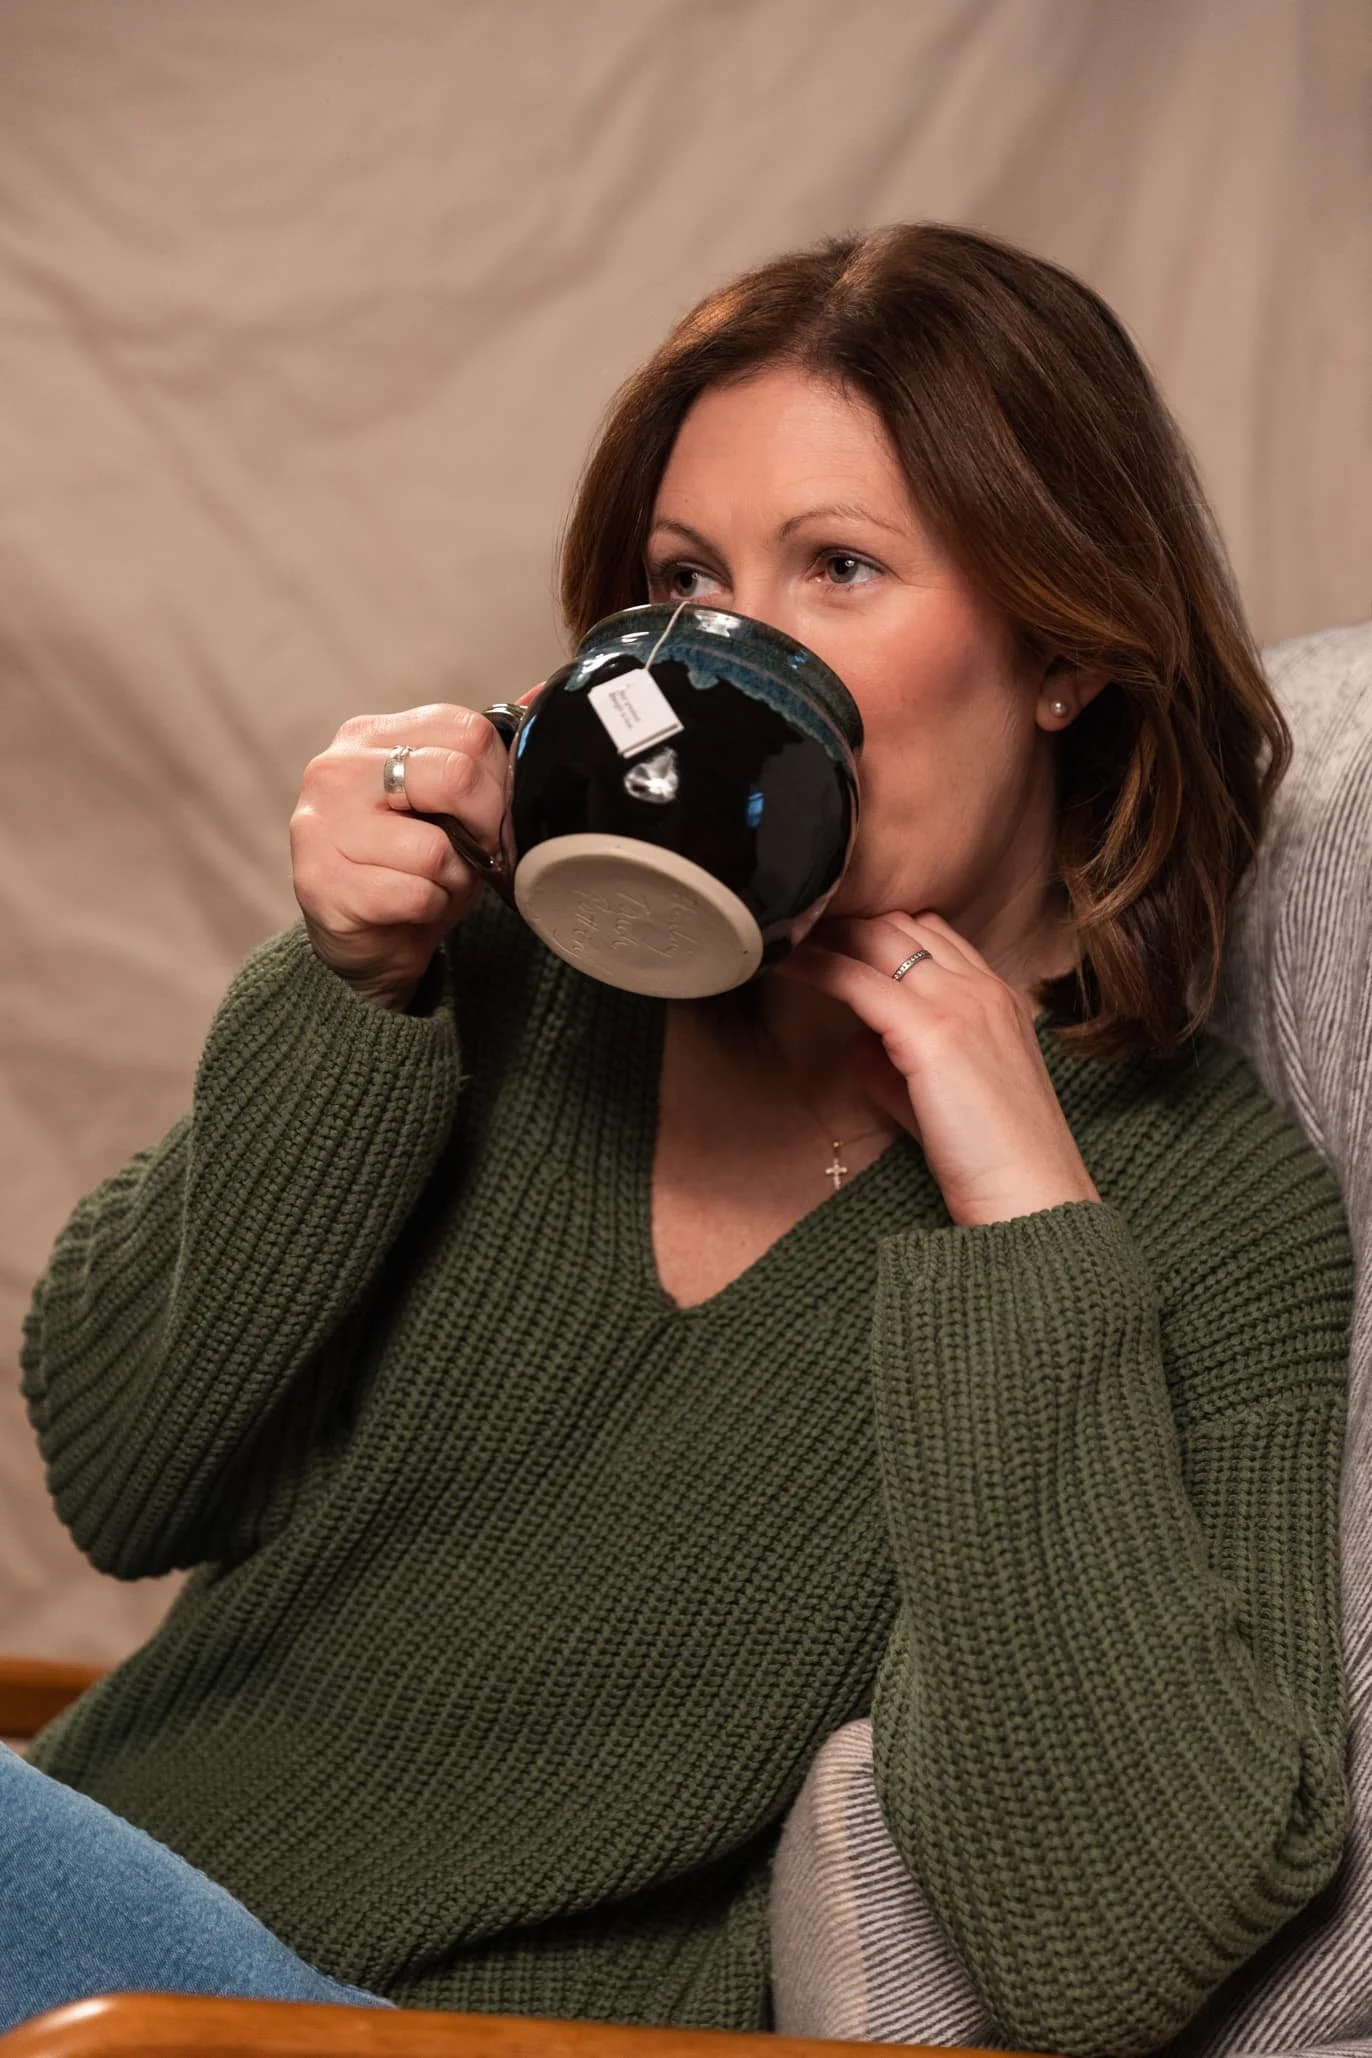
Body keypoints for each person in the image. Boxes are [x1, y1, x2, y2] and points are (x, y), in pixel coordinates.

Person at [9, 223, 1354, 2056]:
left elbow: (1109, 1944)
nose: (735, 646)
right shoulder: (500, 983)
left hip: (352, 2035)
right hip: (79, 1921)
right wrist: (345, 993)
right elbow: (128, 1466)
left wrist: (1028, 1221)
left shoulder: (1210, 1214)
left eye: (843, 567)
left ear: (1062, 646)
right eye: (684, 578)